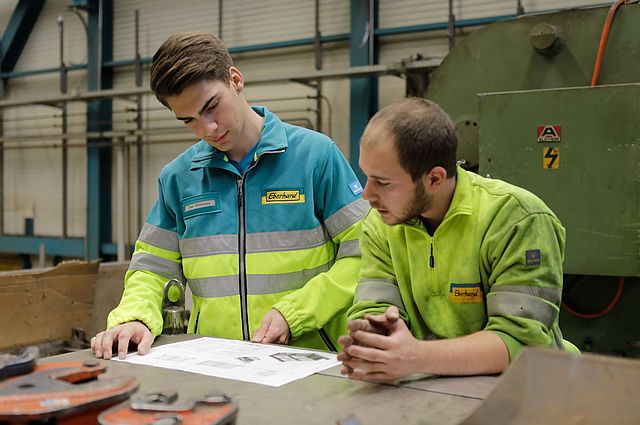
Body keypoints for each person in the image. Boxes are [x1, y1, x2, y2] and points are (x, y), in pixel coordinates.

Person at [91, 32, 369, 359]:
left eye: (211, 107)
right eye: (189, 120)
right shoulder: (179, 178)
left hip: (308, 360)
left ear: (235, 80)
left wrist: (296, 312)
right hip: (218, 363)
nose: (207, 128)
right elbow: (152, 268)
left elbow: (364, 253)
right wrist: (136, 317)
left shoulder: (315, 157)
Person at [338, 97, 576, 383]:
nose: (367, 195)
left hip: (527, 388)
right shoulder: (381, 223)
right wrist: (374, 340)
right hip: (431, 387)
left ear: (435, 179)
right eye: (366, 177)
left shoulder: (517, 219)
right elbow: (374, 306)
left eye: (383, 182)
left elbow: (520, 341)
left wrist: (416, 356)